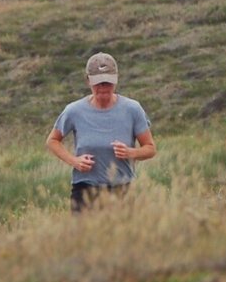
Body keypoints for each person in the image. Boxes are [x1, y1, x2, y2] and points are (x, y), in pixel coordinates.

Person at [46, 52, 155, 213]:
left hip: (122, 190)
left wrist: (130, 152)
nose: (103, 88)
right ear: (88, 80)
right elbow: (52, 141)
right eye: (98, 83)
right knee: (84, 239)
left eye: (108, 82)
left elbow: (150, 148)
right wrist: (74, 161)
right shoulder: (74, 110)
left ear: (116, 80)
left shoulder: (132, 109)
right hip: (85, 190)